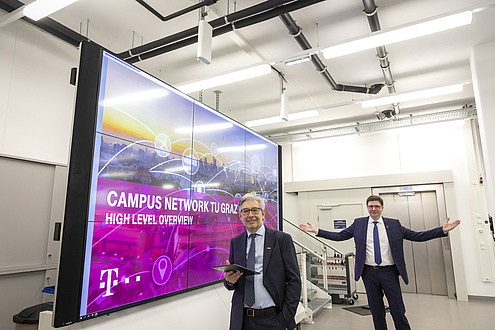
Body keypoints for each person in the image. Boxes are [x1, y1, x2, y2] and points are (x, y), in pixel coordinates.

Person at [299, 195, 460, 330]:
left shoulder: (394, 224)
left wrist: (442, 230)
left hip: (389, 272)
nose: (373, 209)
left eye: (376, 206)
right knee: (376, 311)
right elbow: (340, 236)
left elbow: (417, 236)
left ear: (382, 208)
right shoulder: (359, 224)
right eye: (370, 206)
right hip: (369, 273)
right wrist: (317, 231)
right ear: (367, 208)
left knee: (397, 310)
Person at [224, 193, 301, 330]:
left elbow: (294, 281)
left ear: (263, 213)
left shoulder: (281, 240)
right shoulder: (236, 242)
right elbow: (232, 284)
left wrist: (285, 319)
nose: (250, 215)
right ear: (240, 216)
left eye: (255, 210)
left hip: (273, 319)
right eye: (245, 211)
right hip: (242, 320)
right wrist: (229, 281)